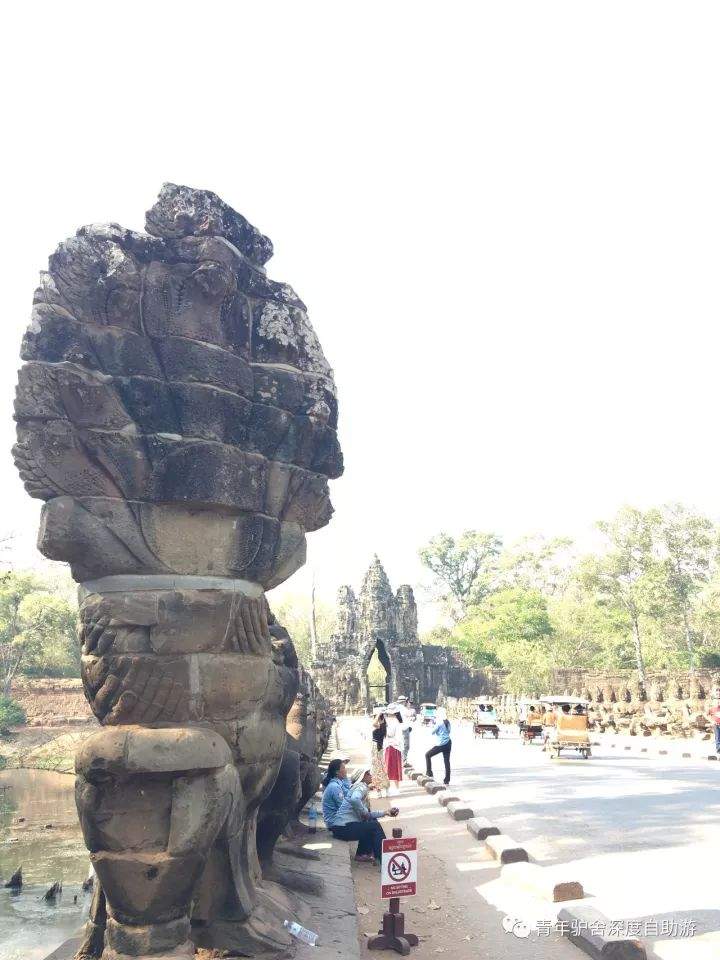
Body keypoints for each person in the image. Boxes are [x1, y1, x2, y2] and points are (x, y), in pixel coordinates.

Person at [333, 767, 399, 861]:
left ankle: (363, 853)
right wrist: (364, 813)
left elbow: (368, 814)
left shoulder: (360, 787)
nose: (371, 775)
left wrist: (386, 812)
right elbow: (355, 799)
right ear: (362, 776)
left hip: (339, 828)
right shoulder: (361, 786)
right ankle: (385, 858)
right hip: (343, 828)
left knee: (371, 821)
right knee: (374, 826)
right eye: (368, 774)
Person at [321, 757, 352, 830]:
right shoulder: (335, 787)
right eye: (343, 768)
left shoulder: (338, 783)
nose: (346, 770)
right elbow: (343, 808)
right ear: (337, 772)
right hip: (335, 824)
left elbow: (348, 790)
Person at [425, 708, 452, 785]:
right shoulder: (447, 722)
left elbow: (432, 732)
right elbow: (449, 731)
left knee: (427, 755)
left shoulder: (439, 722)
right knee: (447, 761)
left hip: (441, 744)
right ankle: (447, 780)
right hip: (448, 743)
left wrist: (431, 724)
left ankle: (429, 773)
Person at [384, 711, 404, 795]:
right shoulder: (396, 721)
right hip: (393, 746)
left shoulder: (393, 722)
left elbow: (390, 734)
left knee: (390, 768)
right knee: (393, 768)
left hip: (393, 746)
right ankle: (395, 788)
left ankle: (392, 788)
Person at [397, 697, 415, 763]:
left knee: (400, 744)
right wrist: (408, 706)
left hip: (398, 729)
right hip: (404, 728)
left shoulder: (397, 708)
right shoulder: (403, 709)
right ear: (404, 702)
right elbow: (410, 714)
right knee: (406, 745)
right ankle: (404, 760)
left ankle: (401, 759)